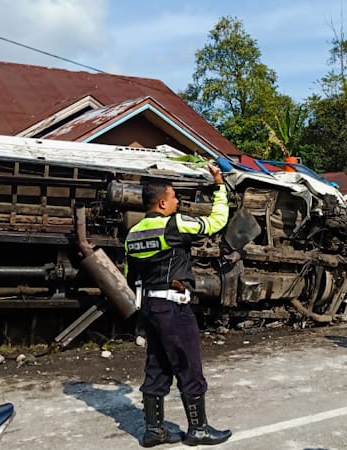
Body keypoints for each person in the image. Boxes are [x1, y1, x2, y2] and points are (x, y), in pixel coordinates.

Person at [125, 164, 232, 447]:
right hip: (174, 308)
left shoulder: (133, 233)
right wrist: (219, 185)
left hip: (150, 306)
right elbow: (216, 222)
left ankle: (154, 431)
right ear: (162, 202)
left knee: (157, 366)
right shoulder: (174, 224)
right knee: (188, 364)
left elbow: (131, 276)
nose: (177, 202)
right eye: (173, 197)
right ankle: (198, 429)